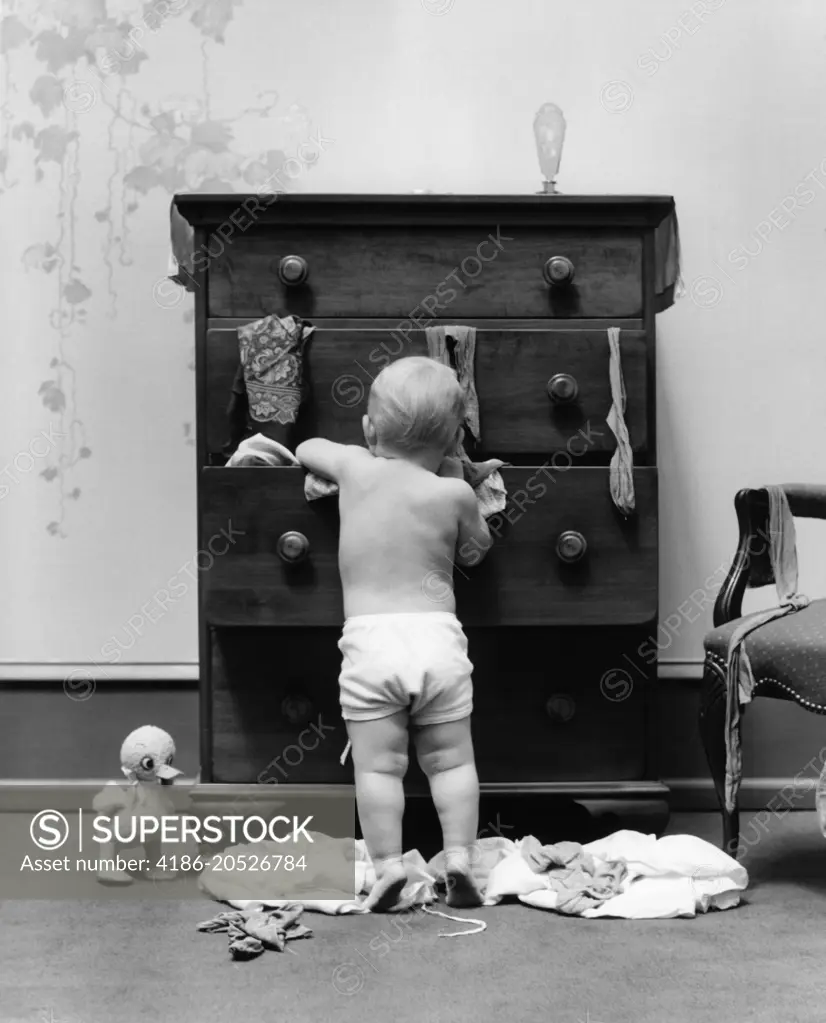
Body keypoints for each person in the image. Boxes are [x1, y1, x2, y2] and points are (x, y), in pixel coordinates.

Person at [296, 356, 492, 910]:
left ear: (370, 428)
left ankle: (386, 867)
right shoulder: (451, 493)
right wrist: (457, 480)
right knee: (452, 762)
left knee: (380, 768)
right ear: (453, 438)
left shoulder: (356, 468)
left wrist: (348, 452)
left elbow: (306, 448)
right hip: (436, 641)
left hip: (371, 646)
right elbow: (477, 552)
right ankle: (458, 858)